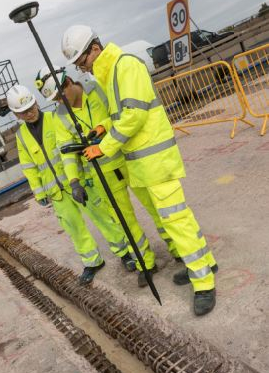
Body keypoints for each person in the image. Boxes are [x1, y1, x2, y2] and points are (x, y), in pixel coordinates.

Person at [61, 26, 218, 316]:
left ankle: (204, 281)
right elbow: (121, 115)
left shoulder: (125, 66)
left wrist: (103, 147)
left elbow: (134, 116)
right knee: (173, 218)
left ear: (94, 49)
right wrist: (104, 127)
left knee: (175, 221)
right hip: (143, 165)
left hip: (155, 161)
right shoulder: (111, 74)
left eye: (81, 61)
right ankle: (205, 260)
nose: (81, 68)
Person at [36, 65, 162, 286]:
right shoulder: (60, 116)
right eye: (55, 99)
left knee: (155, 205)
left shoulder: (97, 88)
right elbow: (66, 153)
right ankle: (146, 263)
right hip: (103, 172)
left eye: (60, 95)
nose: (59, 102)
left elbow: (121, 113)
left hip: (129, 158)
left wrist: (103, 127)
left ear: (67, 83)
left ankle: (176, 248)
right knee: (125, 220)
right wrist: (74, 181)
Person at [6, 83, 135, 285]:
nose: (29, 113)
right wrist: (38, 192)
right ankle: (92, 261)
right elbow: (29, 166)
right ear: (16, 115)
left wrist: (82, 177)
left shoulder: (56, 118)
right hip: (57, 192)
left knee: (102, 216)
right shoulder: (21, 136)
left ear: (36, 103)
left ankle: (124, 252)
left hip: (79, 182)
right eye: (23, 112)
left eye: (31, 108)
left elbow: (73, 147)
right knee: (74, 227)